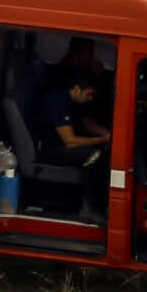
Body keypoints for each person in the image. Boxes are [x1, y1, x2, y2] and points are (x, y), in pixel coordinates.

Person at [32, 73, 111, 221]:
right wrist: (101, 140)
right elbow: (70, 141)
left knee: (101, 153)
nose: (91, 98)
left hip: (61, 146)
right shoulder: (58, 101)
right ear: (76, 89)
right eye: (89, 94)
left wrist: (108, 134)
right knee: (94, 156)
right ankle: (88, 208)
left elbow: (86, 123)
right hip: (50, 149)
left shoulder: (73, 102)